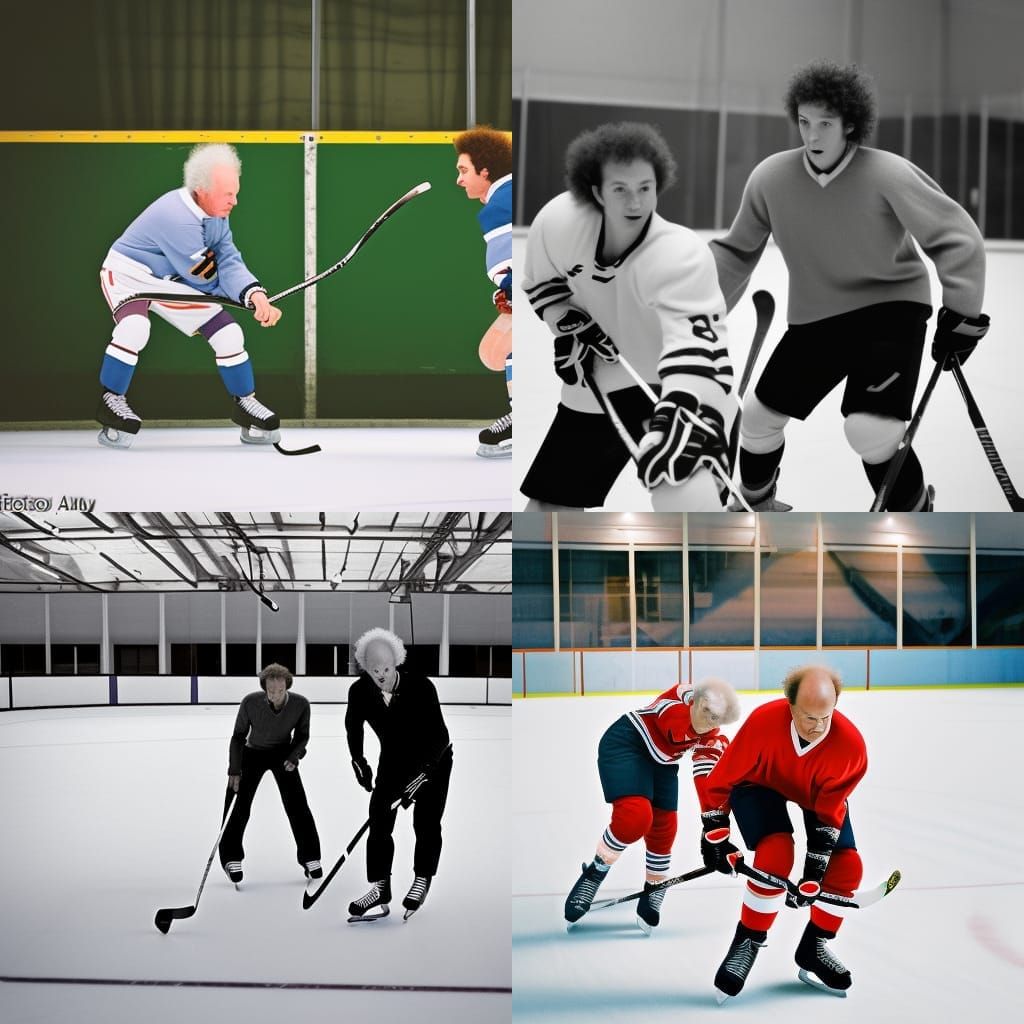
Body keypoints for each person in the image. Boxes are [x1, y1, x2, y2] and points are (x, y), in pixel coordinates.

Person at [710, 59, 989, 511]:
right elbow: (736, 251)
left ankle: (915, 516)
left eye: (825, 123)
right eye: (804, 122)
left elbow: (957, 237)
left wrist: (963, 313)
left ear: (851, 125)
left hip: (891, 311)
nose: (812, 135)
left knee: (869, 429)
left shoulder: (887, 173)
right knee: (758, 421)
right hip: (817, 317)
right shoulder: (770, 178)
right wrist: (694, 309)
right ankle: (755, 507)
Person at [519, 121, 737, 511]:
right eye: (620, 189)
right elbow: (544, 286)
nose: (635, 203)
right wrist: (565, 323)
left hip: (667, 386)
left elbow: (696, 349)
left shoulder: (678, 254)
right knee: (549, 512)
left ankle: (708, 551)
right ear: (596, 191)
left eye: (645, 189)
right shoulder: (557, 222)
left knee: (688, 499)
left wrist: (681, 411)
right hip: (598, 385)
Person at [96, 142, 284, 449]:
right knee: (134, 328)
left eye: (236, 192)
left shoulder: (215, 215)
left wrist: (254, 293)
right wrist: (253, 302)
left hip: (168, 279)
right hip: (128, 275)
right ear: (202, 190)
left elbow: (228, 258)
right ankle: (111, 401)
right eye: (228, 195)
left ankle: (245, 403)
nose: (235, 201)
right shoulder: (176, 217)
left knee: (229, 334)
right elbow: (206, 280)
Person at [699, 665, 868, 1000]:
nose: (819, 728)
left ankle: (814, 946)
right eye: (809, 718)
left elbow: (829, 812)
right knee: (776, 853)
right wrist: (714, 832)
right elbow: (721, 779)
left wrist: (814, 874)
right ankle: (747, 940)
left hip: (814, 795)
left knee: (848, 867)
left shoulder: (851, 747)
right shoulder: (763, 722)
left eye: (827, 717)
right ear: (790, 706)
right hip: (758, 783)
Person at [564, 678, 741, 934]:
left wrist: (713, 827)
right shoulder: (680, 697)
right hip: (628, 743)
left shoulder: (713, 737)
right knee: (634, 819)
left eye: (717, 720)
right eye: (706, 713)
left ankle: (655, 886)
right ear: (698, 700)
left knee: (665, 829)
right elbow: (668, 722)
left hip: (663, 762)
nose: (708, 724)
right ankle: (596, 870)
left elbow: (705, 780)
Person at [344, 627, 453, 921]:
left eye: (387, 668)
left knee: (426, 822)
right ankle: (380, 886)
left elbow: (441, 737)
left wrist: (421, 778)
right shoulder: (359, 692)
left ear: (397, 663)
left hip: (434, 762)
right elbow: (353, 727)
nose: (381, 675)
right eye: (374, 670)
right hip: (393, 761)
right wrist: (358, 760)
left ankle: (422, 877)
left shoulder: (421, 687)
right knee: (379, 820)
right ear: (365, 669)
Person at [219, 663, 322, 885]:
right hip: (252, 753)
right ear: (264, 688)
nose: (275, 695)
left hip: (283, 754)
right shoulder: (250, 702)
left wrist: (295, 756)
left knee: (297, 805)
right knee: (238, 803)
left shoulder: (301, 704)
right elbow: (238, 736)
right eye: (270, 691)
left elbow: (302, 736)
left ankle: (310, 857)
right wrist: (234, 769)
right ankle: (230, 857)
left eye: (280, 690)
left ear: (287, 687)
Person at [454, 126, 513, 459]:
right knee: (493, 352)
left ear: (485, 171)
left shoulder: (500, 205)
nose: (460, 180)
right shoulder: (506, 198)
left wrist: (512, 288)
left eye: (464, 170)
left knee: (508, 349)